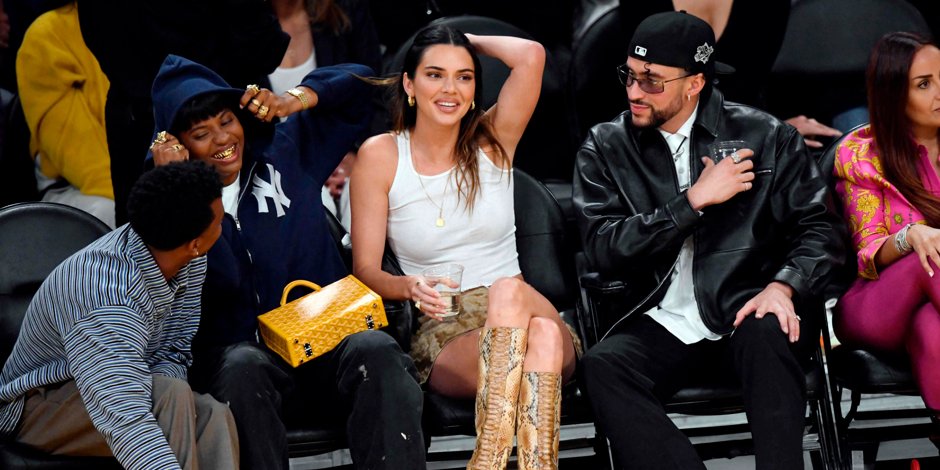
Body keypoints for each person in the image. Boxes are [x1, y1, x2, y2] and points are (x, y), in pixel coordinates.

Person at [572, 11, 845, 469]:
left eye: (652, 80)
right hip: (659, 318)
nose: (634, 91)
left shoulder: (767, 136)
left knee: (768, 328)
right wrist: (692, 202)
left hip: (746, 307)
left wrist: (783, 287)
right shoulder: (605, 146)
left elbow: (822, 230)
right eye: (629, 75)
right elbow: (602, 247)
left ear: (695, 83)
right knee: (602, 367)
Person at [148, 54, 425, 470]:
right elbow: (193, 285)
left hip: (327, 342)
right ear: (176, 145)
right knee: (242, 366)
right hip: (247, 370)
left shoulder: (285, 149)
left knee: (376, 348)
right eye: (201, 134)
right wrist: (180, 190)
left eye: (227, 121)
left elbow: (363, 83)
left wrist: (294, 99)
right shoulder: (165, 205)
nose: (223, 139)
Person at [350, 25, 580, 469]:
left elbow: (531, 55)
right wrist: (409, 286)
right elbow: (366, 270)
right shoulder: (381, 155)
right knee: (546, 338)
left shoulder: (493, 141)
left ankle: (490, 454)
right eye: (435, 74)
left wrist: (463, 39)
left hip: (523, 303)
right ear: (409, 84)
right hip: (449, 326)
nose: (450, 89)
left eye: (464, 76)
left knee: (509, 292)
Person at [0, 160, 236, 469]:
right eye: (219, 222)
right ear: (195, 244)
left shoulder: (188, 258)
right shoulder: (106, 297)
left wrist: (181, 418)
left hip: (129, 383)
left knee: (212, 415)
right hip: (35, 409)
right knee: (170, 398)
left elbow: (173, 350)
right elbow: (125, 419)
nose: (223, 225)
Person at [832, 31, 940, 450]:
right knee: (930, 255)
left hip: (930, 306)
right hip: (875, 303)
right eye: (924, 84)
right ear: (894, 94)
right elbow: (868, 252)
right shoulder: (862, 154)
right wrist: (911, 236)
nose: (939, 92)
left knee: (930, 327)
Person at [618, 0, 844, 148]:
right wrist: (761, 137)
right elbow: (637, 100)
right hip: (654, 145)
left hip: (745, 142)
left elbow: (750, 87)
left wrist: (773, 130)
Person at [268, 0, 382, 226]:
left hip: (344, 151)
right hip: (274, 165)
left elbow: (374, 89)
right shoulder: (235, 28)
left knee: (367, 191)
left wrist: (355, 152)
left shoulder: (346, 10)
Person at [16, 2, 115, 227]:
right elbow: (81, 156)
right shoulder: (47, 34)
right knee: (109, 212)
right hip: (72, 187)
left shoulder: (141, 25)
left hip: (144, 175)